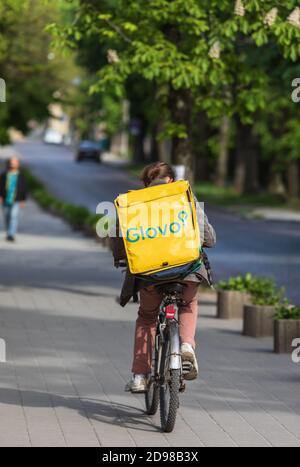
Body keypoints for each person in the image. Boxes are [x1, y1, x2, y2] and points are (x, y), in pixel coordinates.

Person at [111, 162, 216, 393]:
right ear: (171, 179)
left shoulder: (134, 202)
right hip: (187, 271)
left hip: (150, 276)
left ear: (147, 182)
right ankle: (187, 345)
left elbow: (119, 238)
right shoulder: (185, 196)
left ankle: (140, 376)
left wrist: (120, 258)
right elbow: (207, 236)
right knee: (188, 303)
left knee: (147, 317)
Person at [0, 157, 27, 242]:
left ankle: (11, 234)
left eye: (15, 162)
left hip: (16, 199)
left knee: (14, 216)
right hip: (5, 198)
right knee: (7, 216)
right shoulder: (4, 175)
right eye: (12, 162)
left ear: (18, 164)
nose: (13, 164)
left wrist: (23, 199)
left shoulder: (21, 176)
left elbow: (24, 188)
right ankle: (9, 232)